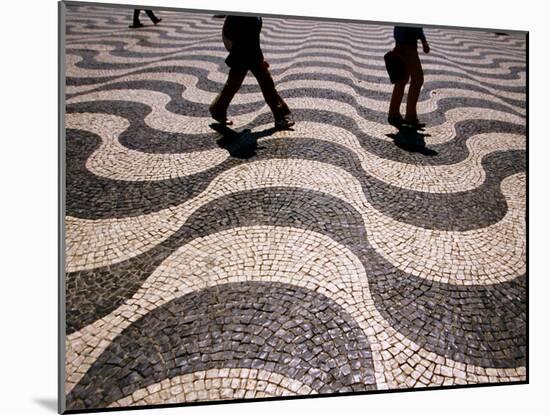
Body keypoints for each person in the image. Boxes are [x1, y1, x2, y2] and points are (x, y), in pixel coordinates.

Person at [209, 16, 294, 130]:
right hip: (244, 53)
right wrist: (260, 60)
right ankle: (280, 117)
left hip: (249, 53)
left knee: (236, 85)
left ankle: (217, 110)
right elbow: (246, 38)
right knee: (265, 84)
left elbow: (253, 38)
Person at [388, 26, 430, 129]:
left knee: (402, 80)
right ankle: (410, 117)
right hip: (407, 44)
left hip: (404, 43)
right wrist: (423, 40)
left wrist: (423, 40)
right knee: (417, 80)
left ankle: (394, 113)